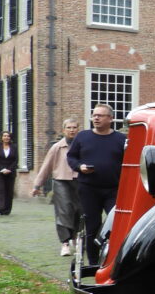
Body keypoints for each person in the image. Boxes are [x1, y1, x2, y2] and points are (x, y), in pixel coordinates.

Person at [67, 104, 126, 266]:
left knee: (116, 224)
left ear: (110, 119)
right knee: (92, 226)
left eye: (100, 115)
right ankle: (93, 262)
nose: (96, 118)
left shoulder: (121, 139)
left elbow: (129, 162)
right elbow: (71, 157)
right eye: (94, 115)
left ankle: (114, 259)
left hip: (114, 189)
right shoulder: (82, 137)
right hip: (88, 189)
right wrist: (80, 167)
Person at [32, 118, 84, 257]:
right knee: (64, 210)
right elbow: (46, 166)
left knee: (79, 210)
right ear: (63, 130)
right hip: (61, 181)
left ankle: (75, 237)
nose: (72, 130)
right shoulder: (57, 147)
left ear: (78, 129)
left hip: (79, 180)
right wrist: (37, 185)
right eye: (69, 127)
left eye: (74, 127)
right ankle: (65, 243)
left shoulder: (83, 145)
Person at [0, 130, 18, 216]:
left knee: (9, 191)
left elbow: (15, 160)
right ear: (2, 138)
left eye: (8, 136)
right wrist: (2, 169)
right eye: (5, 136)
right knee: (0, 190)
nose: (6, 137)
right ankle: (0, 208)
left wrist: (9, 169)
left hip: (10, 172)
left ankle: (7, 209)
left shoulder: (14, 147)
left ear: (10, 138)